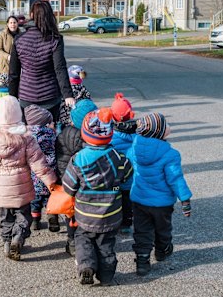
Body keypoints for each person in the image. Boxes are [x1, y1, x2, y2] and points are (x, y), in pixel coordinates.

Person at [0, 96, 57, 261]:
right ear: (18, 114)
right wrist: (51, 181)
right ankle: (19, 237)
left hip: (0, 190)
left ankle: (7, 242)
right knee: (23, 215)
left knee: (5, 216)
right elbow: (39, 163)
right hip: (21, 187)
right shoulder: (26, 138)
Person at [62, 108, 133, 286]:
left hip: (85, 213)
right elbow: (128, 178)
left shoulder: (78, 159)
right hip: (111, 214)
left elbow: (69, 187)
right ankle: (107, 276)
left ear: (85, 134)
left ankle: (86, 266)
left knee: (83, 238)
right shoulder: (119, 158)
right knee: (106, 245)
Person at [126, 113, 192, 276]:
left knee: (142, 230)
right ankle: (162, 250)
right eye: (165, 126)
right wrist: (185, 199)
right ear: (158, 132)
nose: (168, 128)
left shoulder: (134, 148)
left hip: (139, 200)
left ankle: (142, 260)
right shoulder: (170, 154)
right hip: (162, 204)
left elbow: (127, 161)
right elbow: (175, 178)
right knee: (163, 229)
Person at [8, 0, 75, 123]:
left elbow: (13, 73)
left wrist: (12, 97)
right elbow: (60, 68)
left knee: (29, 136)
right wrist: (68, 94)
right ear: (49, 15)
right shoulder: (55, 39)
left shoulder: (19, 39)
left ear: (32, 15)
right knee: (51, 135)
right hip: (50, 97)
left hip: (26, 97)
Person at [55, 98, 98, 256]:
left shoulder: (63, 134)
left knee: (70, 211)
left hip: (67, 179)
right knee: (87, 208)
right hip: (87, 181)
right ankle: (88, 238)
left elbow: (58, 156)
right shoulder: (92, 138)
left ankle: (72, 240)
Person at [24, 104, 60, 232]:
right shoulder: (50, 133)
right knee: (50, 197)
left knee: (35, 200)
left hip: (34, 174)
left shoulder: (26, 136)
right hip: (50, 172)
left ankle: (35, 221)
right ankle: (52, 216)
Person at [109, 92, 136, 234]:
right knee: (127, 199)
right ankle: (127, 223)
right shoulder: (138, 133)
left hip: (116, 175)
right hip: (132, 176)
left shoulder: (111, 136)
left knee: (115, 199)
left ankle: (113, 221)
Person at [58, 65, 91, 129]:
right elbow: (88, 102)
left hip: (64, 118)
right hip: (78, 118)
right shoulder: (83, 88)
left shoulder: (65, 90)